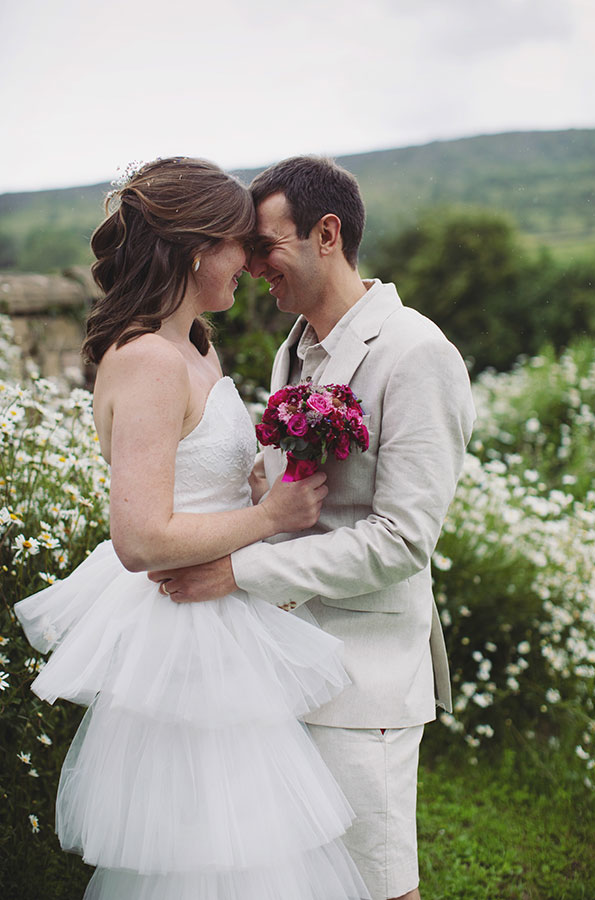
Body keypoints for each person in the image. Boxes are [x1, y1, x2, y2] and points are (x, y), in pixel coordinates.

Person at [14, 157, 370, 900]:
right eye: (243, 242)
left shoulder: (196, 346)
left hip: (224, 616)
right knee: (205, 843)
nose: (254, 259)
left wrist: (259, 482)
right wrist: (269, 515)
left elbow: (196, 478)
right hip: (182, 631)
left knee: (249, 833)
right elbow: (140, 539)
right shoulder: (147, 360)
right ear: (197, 246)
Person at [149, 156, 477, 900]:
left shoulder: (417, 354)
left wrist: (239, 574)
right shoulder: (291, 349)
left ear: (327, 234)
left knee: (377, 887)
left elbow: (401, 540)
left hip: (365, 680)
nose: (252, 263)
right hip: (278, 670)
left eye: (267, 244)